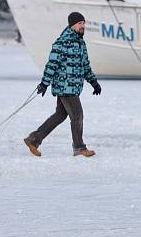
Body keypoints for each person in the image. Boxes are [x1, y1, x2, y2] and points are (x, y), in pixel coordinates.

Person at [23, 12, 101, 158]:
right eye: (80, 24)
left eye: (83, 23)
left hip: (73, 87)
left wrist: (93, 82)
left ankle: (33, 139)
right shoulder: (62, 43)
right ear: (72, 25)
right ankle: (79, 147)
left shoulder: (80, 43)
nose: (82, 26)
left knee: (60, 115)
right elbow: (52, 64)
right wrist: (44, 84)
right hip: (65, 86)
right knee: (77, 116)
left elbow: (85, 65)